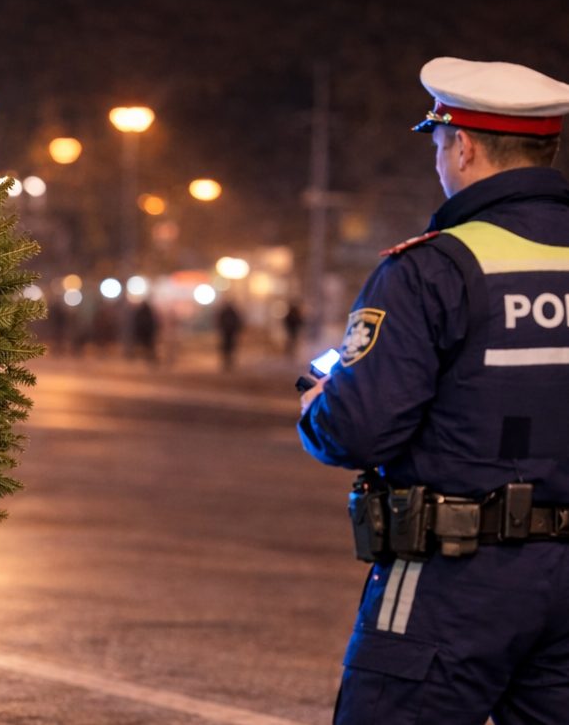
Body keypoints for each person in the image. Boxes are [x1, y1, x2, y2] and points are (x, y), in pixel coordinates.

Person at [298, 57, 569, 724]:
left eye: (440, 143)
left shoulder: (431, 269)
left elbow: (359, 430)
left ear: (465, 147)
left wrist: (318, 406)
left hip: (453, 577)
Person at [215, 300, 243, 371]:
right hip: (228, 333)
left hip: (228, 333)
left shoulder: (227, 313)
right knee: (228, 347)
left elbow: (219, 321)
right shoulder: (232, 313)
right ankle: (227, 361)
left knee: (228, 347)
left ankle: (228, 361)